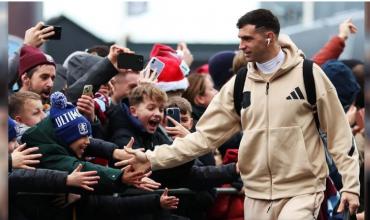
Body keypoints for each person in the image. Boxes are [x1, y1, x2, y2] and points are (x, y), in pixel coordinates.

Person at [121, 9, 360, 219]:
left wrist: (351, 186)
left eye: (247, 38)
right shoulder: (239, 84)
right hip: (255, 194)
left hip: (302, 191)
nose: (241, 45)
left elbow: (339, 134)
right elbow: (202, 138)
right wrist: (151, 158)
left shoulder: (310, 74)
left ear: (269, 38)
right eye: (240, 39)